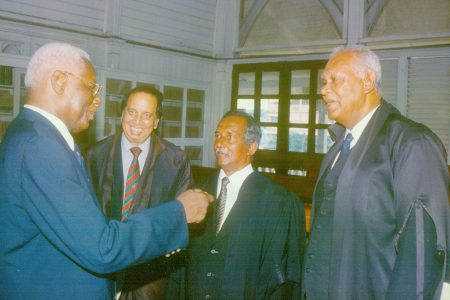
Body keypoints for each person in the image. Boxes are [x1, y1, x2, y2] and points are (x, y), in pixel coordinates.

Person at [0, 42, 212, 300]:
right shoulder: (41, 145)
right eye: (91, 87)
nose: (97, 99)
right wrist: (179, 212)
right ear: (59, 81)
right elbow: (103, 247)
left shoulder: (27, 132)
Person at [302, 45, 450, 299]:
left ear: (368, 80)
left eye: (335, 80)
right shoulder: (339, 145)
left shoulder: (412, 142)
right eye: (324, 82)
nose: (323, 90)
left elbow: (420, 254)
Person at [86, 85, 193, 300]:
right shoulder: (96, 155)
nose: (137, 122)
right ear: (122, 113)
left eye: (146, 115)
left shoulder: (175, 160)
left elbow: (182, 219)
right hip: (103, 270)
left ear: (156, 121)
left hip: (151, 277)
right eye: (132, 112)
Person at [188, 110, 305, 299]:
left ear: (252, 147)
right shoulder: (197, 191)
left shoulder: (278, 202)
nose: (219, 143)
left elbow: (281, 277)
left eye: (229, 136)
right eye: (217, 135)